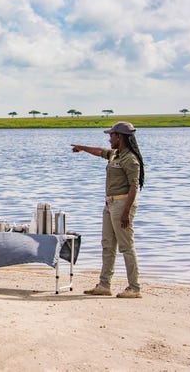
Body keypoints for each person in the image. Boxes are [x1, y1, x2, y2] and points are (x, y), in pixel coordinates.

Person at [71, 121, 145, 299]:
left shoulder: (131, 159)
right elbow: (100, 151)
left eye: (111, 135)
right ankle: (104, 285)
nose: (109, 138)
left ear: (120, 137)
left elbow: (134, 186)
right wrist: (82, 148)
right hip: (110, 204)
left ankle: (134, 288)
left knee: (126, 246)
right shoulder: (116, 155)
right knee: (107, 245)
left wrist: (126, 212)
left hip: (122, 204)